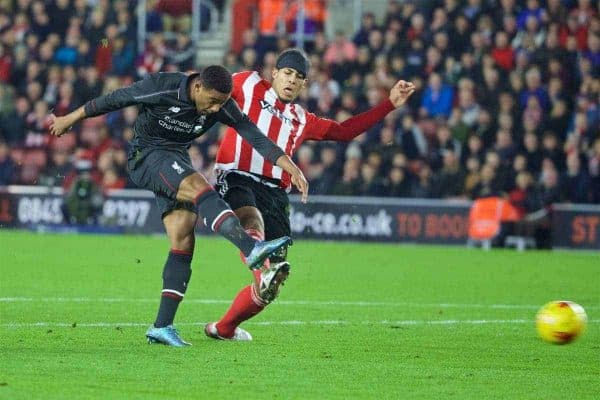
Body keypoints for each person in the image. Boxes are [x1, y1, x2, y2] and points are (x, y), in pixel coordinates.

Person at [49, 65, 309, 347]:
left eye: (221, 103)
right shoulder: (163, 86)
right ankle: (252, 249)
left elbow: (253, 135)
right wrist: (69, 119)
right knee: (200, 187)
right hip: (147, 156)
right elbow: (115, 99)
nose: (215, 109)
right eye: (212, 101)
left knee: (184, 236)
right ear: (197, 87)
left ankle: (161, 327)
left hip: (175, 159)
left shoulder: (221, 104)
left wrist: (289, 166)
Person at [208, 49, 415, 340]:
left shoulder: (302, 119)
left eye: (300, 77)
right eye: (288, 73)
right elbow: (208, 90)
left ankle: (224, 327)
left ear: (305, 85)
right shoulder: (247, 83)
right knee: (250, 220)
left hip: (275, 194)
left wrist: (389, 104)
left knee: (276, 279)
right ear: (275, 73)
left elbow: (344, 132)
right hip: (237, 175)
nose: (292, 80)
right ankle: (259, 265)